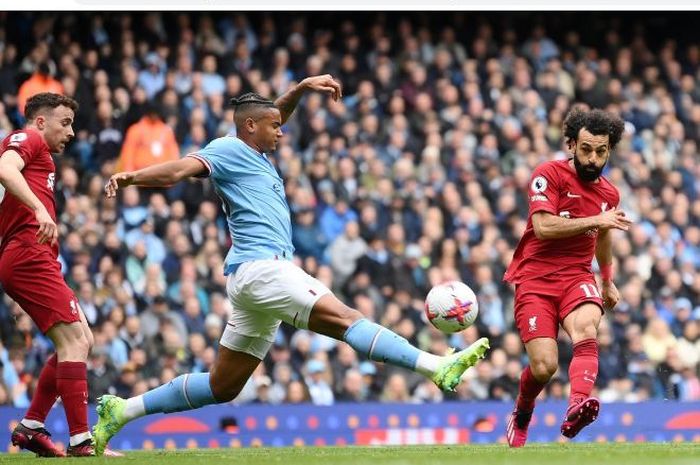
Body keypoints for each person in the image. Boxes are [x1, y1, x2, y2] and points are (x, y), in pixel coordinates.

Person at [93, 74, 489, 455]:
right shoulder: (227, 149)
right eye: (274, 127)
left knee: (223, 385)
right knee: (346, 318)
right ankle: (435, 365)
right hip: (264, 269)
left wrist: (299, 89)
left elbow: (272, 112)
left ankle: (122, 410)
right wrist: (133, 178)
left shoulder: (255, 150)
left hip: (252, 279)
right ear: (250, 126)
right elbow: (180, 169)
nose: (281, 131)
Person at [503, 107, 631, 447]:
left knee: (587, 328)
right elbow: (543, 227)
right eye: (586, 149)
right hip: (535, 278)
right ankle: (523, 410)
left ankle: (577, 405)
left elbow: (604, 238)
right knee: (545, 368)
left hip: (577, 275)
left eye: (601, 151)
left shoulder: (609, 194)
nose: (593, 158)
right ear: (572, 144)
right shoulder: (549, 173)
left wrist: (606, 280)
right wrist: (596, 221)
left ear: (609, 150)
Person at [0, 93, 97, 456]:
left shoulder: (42, 156)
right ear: (40, 122)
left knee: (82, 339)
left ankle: (31, 425)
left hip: (33, 255)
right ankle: (80, 441)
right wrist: (41, 209)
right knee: (74, 342)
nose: (71, 132)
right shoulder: (28, 138)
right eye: (65, 123)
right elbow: (4, 168)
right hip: (28, 255)